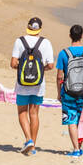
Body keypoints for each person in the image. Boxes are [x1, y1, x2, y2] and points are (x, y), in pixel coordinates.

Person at [10, 17, 55, 156]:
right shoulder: (45, 43)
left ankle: (28, 139)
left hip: (22, 83)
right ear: (40, 28)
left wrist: (24, 67)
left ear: (28, 27)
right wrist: (40, 70)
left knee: (22, 112)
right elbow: (51, 65)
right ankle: (33, 146)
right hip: (38, 84)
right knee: (34, 114)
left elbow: (13, 63)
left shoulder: (19, 41)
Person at [56, 24, 83, 158]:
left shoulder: (63, 53)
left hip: (68, 92)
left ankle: (75, 149)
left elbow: (59, 76)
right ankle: (80, 147)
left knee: (71, 120)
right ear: (82, 36)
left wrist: (58, 92)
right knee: (81, 118)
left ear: (70, 36)